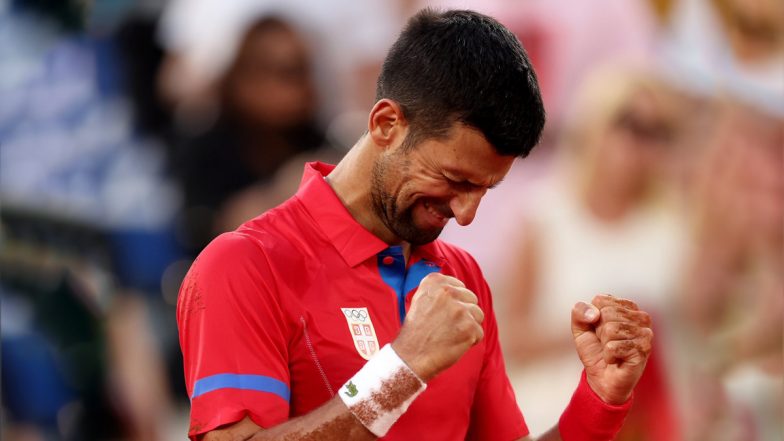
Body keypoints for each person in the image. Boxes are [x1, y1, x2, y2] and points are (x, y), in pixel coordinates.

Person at [177, 9, 654, 441]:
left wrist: (600, 400)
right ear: (387, 123)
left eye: (484, 189)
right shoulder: (244, 265)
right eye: (454, 179)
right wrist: (402, 368)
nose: (467, 214)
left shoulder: (461, 280)